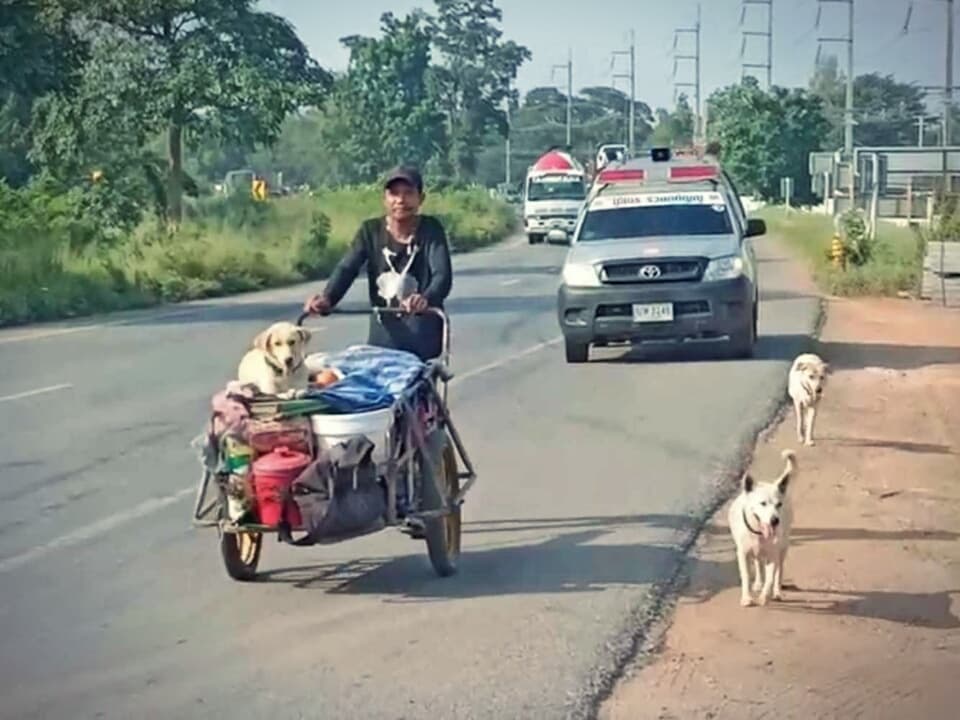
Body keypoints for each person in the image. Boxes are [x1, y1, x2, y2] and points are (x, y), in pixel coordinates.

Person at [303, 166, 453, 361]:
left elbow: (442, 275)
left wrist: (425, 298)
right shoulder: (370, 231)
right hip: (383, 338)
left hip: (423, 336)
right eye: (394, 193)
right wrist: (327, 298)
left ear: (420, 199)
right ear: (385, 198)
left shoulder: (431, 229)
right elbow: (347, 268)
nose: (400, 200)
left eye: (408, 193)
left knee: (418, 386)